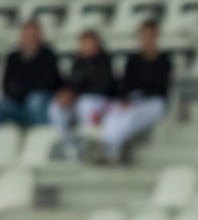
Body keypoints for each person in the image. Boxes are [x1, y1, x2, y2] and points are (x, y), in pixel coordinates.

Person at [98, 19, 172, 158]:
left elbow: (161, 87)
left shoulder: (164, 61)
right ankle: (108, 147)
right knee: (113, 114)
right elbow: (125, 83)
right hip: (134, 101)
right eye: (144, 36)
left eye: (150, 36)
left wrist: (137, 98)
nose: (147, 40)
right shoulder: (133, 60)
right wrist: (125, 99)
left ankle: (113, 151)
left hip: (154, 102)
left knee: (132, 117)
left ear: (156, 37)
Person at [0, 20, 61, 128]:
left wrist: (21, 88)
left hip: (39, 103)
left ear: (39, 36)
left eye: (33, 34)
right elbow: (6, 86)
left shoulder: (48, 55)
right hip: (17, 104)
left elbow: (49, 83)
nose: (30, 38)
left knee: (35, 100)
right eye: (27, 34)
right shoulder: (13, 57)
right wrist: (25, 88)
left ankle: (40, 136)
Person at [48, 29, 117, 140]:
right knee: (56, 106)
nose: (87, 46)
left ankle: (89, 141)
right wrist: (65, 94)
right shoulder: (78, 62)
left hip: (100, 101)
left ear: (98, 44)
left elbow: (101, 88)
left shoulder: (104, 61)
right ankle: (63, 139)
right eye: (84, 43)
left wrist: (73, 94)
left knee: (85, 104)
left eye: (90, 43)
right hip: (79, 100)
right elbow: (72, 83)